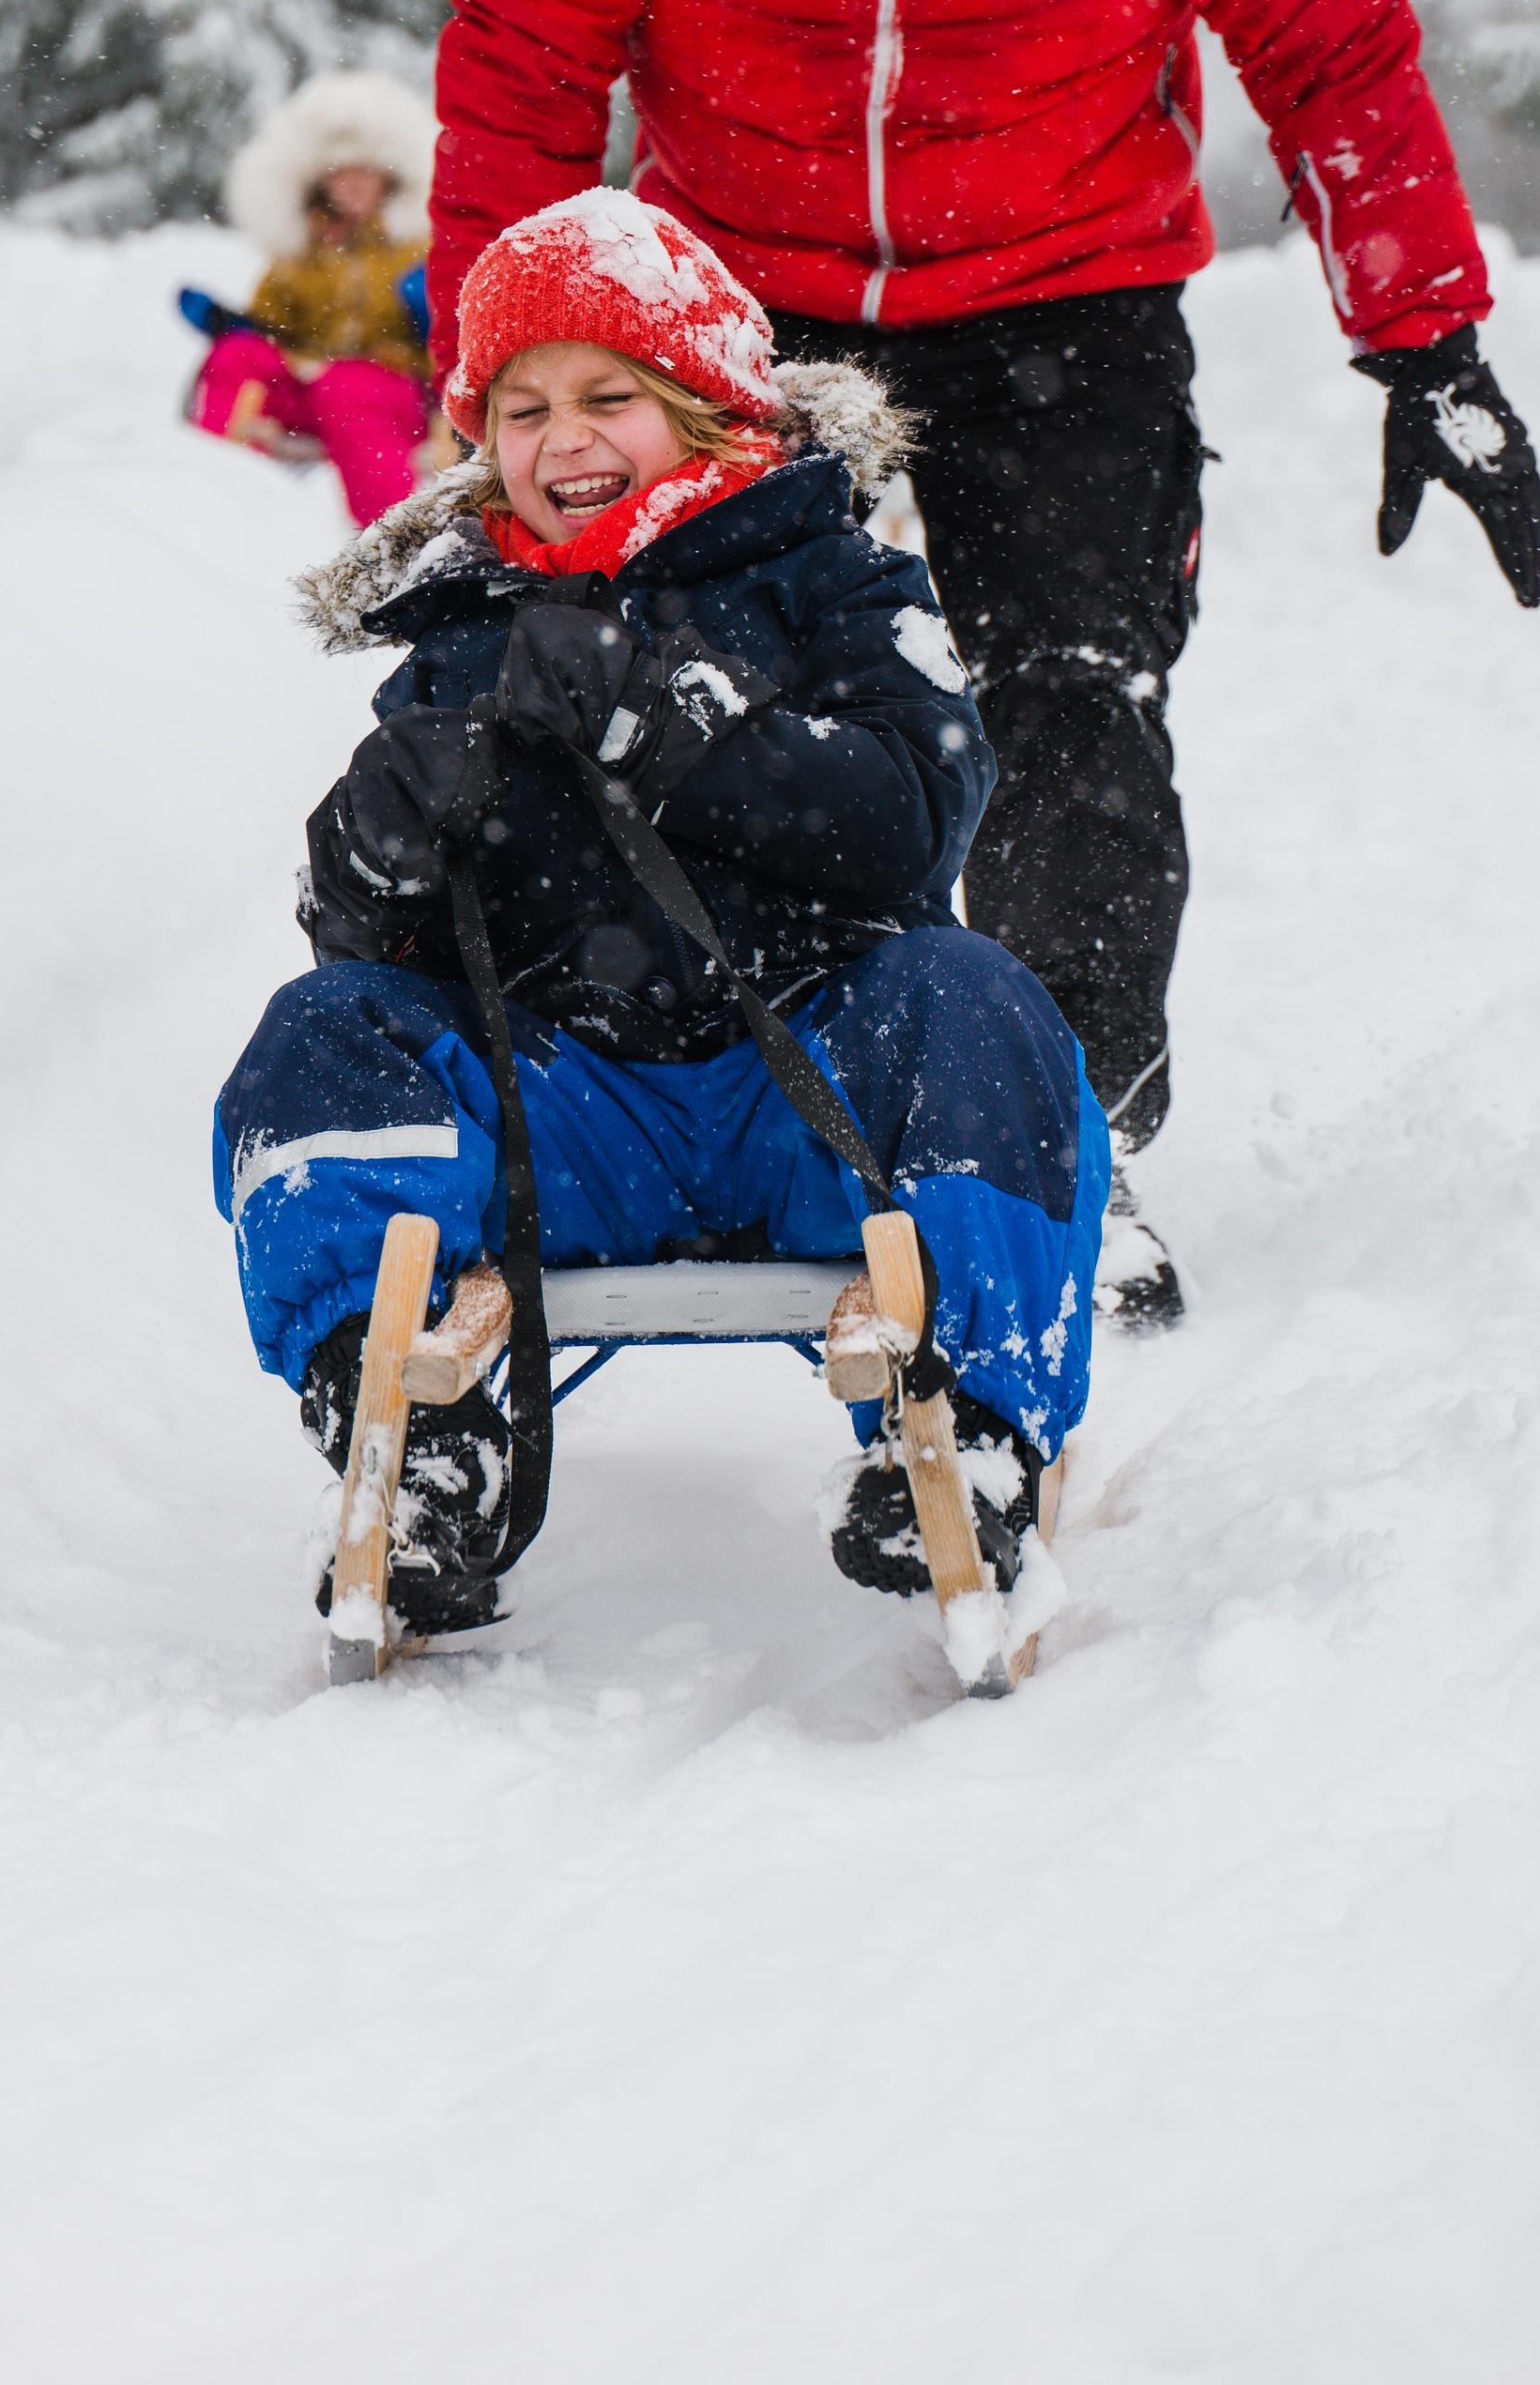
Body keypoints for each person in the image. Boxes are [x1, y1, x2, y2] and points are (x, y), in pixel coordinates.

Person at [426, 0, 1540, 1327]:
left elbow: (1327, 33)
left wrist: (1423, 330)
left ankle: (1058, 1156)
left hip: (1064, 306)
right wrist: (498, 391)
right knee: (714, 721)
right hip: (745, 317)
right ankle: (767, 1118)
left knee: (1074, 715)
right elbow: (520, 71)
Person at [213, 191, 1107, 1638]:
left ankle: (973, 1429)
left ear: (703, 407)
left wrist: (682, 732)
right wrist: (378, 847)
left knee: (978, 998)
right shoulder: (465, 624)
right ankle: (414, 1441)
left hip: (811, 1092)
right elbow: (381, 963)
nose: (561, 439)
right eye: (521, 406)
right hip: (563, 1114)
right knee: (320, 1040)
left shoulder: (838, 580)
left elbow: (915, 814)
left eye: (607, 396)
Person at [187, 70, 436, 527]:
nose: (355, 185)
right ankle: (205, 496)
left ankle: (391, 536)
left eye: (366, 174)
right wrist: (233, 326)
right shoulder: (299, 253)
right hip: (307, 387)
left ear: (389, 179)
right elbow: (269, 326)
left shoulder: (416, 247)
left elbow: (447, 341)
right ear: (321, 182)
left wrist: (423, 322)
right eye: (343, 175)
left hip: (387, 392)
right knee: (235, 356)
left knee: (349, 385)